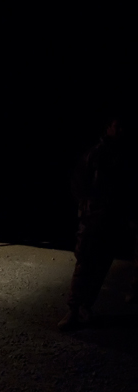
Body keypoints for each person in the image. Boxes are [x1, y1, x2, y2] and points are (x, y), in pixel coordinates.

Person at [59, 116, 137, 330]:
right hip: (94, 218)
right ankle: (73, 308)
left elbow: (127, 189)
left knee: (102, 264)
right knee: (85, 261)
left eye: (122, 127)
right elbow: (78, 183)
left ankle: (85, 306)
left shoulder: (123, 156)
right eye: (116, 126)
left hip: (112, 219)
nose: (120, 130)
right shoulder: (96, 154)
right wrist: (87, 206)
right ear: (109, 128)